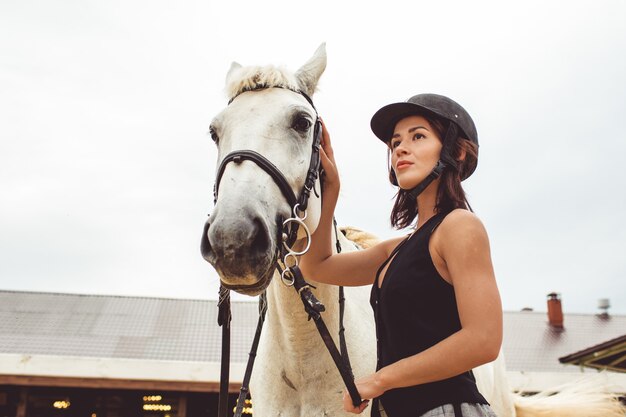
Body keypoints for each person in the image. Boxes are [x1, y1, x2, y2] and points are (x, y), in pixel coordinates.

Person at [299, 94, 502, 417]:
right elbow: (316, 266)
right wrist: (332, 188)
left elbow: (485, 339)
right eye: (395, 143)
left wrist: (381, 380)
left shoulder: (459, 226)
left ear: (457, 151)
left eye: (418, 136)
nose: (400, 149)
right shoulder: (395, 250)